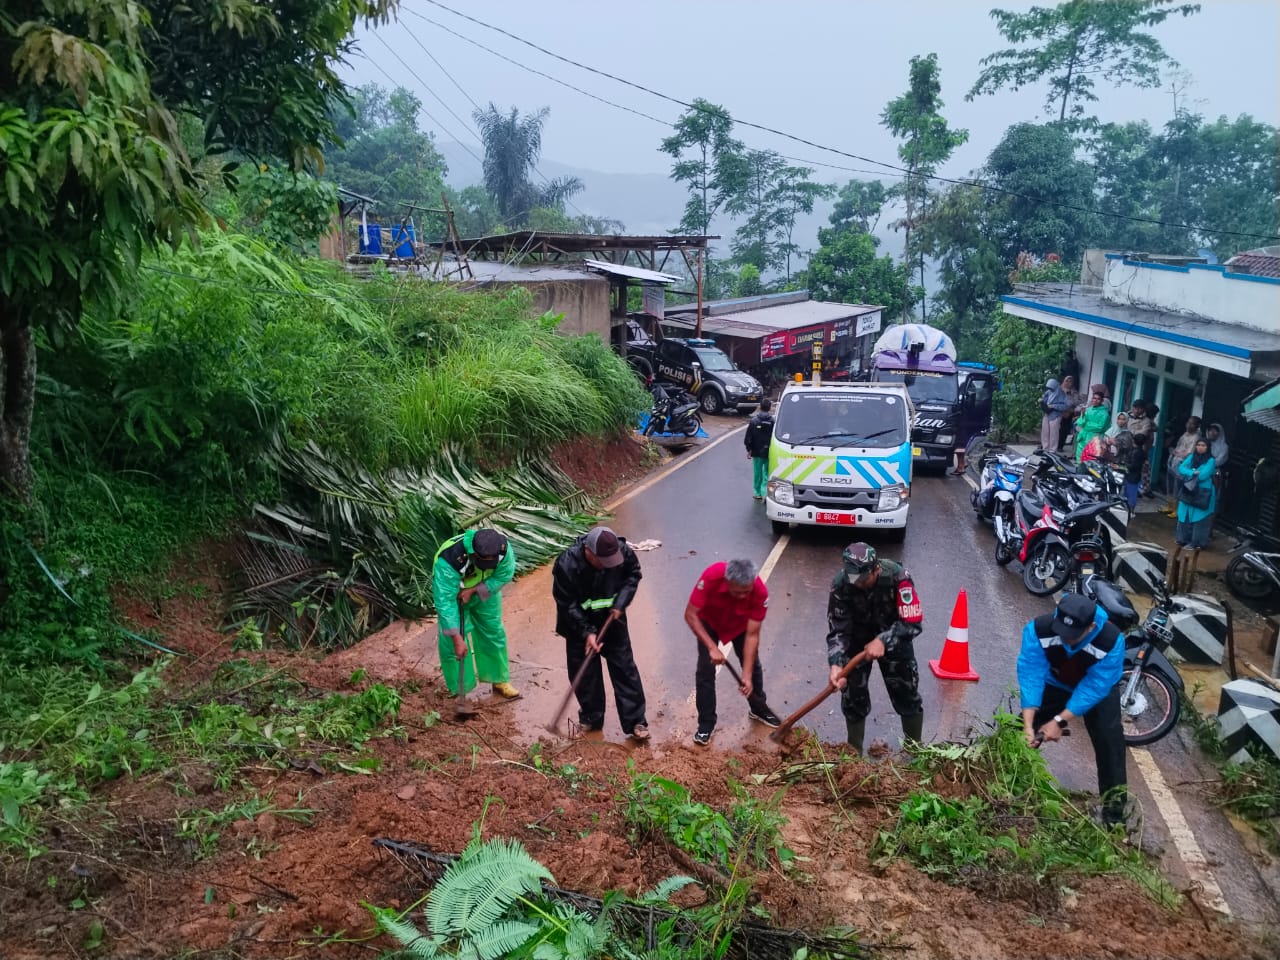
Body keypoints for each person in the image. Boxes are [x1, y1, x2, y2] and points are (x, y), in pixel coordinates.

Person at [1017, 592, 1128, 827]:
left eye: (1073, 635)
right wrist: (1028, 724)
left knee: (1109, 739)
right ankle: (1010, 784)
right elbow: (1031, 673)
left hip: (1097, 689)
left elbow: (1093, 688)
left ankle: (1113, 816)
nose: (1066, 639)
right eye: (1062, 633)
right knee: (1017, 731)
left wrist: (1059, 720)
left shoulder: (1111, 641)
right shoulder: (1039, 629)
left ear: (1091, 627)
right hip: (1057, 681)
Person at [551, 526, 649, 741]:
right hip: (577, 625)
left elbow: (633, 575)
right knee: (585, 676)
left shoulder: (621, 551)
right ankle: (591, 719)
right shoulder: (567, 564)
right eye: (603, 561)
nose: (608, 565)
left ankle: (636, 721)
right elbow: (566, 604)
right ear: (588, 551)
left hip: (612, 621)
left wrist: (621, 602)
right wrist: (586, 631)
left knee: (625, 669)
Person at [825, 542, 925, 753]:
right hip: (857, 643)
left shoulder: (899, 578)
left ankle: (915, 751)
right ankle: (853, 757)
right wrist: (836, 664)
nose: (857, 583)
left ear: (876, 569)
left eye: (863, 579)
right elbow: (838, 631)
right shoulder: (842, 583)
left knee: (907, 694)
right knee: (853, 699)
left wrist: (883, 640)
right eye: (854, 579)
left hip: (895, 639)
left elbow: (913, 622)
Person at [685, 558, 781, 745]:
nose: (743, 596)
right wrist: (712, 648)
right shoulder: (712, 576)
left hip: (740, 627)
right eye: (737, 592)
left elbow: (752, 635)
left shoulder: (760, 592)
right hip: (709, 623)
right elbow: (690, 614)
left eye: (747, 592)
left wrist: (746, 675)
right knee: (705, 671)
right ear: (728, 581)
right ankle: (706, 725)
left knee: (753, 667)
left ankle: (758, 709)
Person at [433, 528, 519, 699]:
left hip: (485, 591)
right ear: (474, 554)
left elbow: (504, 575)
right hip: (453, 596)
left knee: (493, 632)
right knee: (453, 643)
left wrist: (474, 590)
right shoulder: (449, 559)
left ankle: (499, 679)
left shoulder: (502, 548)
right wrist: (457, 638)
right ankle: (460, 689)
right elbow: (445, 603)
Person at [1169, 438, 1217, 589]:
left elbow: (1203, 476)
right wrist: (1192, 472)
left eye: (1203, 445)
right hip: (1189, 490)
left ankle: (1197, 543)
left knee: (1200, 518)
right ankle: (1182, 539)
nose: (1200, 447)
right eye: (1198, 445)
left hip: (1202, 493)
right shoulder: (1191, 457)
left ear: (1207, 447)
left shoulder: (1211, 460)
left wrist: (1192, 473)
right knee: (1184, 514)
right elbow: (1181, 468)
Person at [1162, 416, 1202, 517]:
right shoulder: (1185, 434)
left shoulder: (1196, 438)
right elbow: (1178, 446)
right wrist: (1174, 454)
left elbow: (1190, 453)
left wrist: (1179, 454)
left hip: (1182, 464)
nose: (1189, 425)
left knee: (1178, 486)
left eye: (1192, 424)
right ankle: (1170, 505)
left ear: (1197, 426)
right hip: (1174, 461)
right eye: (1188, 422)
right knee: (1170, 484)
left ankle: (1177, 509)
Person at [744, 398, 775, 501]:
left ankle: (757, 493)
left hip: (756, 452)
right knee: (767, 472)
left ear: (760, 407)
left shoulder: (754, 421)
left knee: (757, 473)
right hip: (769, 451)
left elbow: (748, 438)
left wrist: (749, 449)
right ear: (769, 408)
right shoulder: (773, 421)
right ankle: (765, 492)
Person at [1073, 384, 1111, 460]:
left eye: (1098, 399)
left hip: (1095, 438)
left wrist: (1086, 424)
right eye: (1094, 398)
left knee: (1091, 458)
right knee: (1079, 457)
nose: (1095, 400)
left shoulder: (1104, 414)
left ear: (1102, 401)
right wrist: (1083, 414)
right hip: (1084, 437)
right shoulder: (1088, 409)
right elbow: (1081, 423)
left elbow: (1100, 427)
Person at [1039, 378, 1072, 452]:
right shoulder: (1049, 392)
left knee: (1054, 434)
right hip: (1047, 414)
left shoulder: (1061, 394)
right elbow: (1045, 400)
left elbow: (1066, 405)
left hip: (1055, 416)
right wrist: (1042, 401)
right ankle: (1045, 448)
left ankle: (1052, 450)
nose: (1050, 389)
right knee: (1045, 432)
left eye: (1051, 387)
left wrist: (1054, 406)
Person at [1122, 432, 1150, 513]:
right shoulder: (1141, 451)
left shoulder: (1136, 452)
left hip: (1133, 476)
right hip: (1134, 476)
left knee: (1131, 495)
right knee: (1130, 493)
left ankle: (1131, 511)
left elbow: (1134, 466)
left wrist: (1124, 465)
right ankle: (1129, 510)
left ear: (1134, 440)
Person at [1056, 376, 1081, 453]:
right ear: (1064, 381)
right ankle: (1051, 444)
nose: (1068, 383)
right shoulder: (1059, 390)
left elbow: (1076, 402)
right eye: (1067, 381)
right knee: (1055, 429)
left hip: (1069, 413)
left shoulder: (1074, 392)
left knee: (1065, 430)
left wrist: (1070, 397)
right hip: (1058, 412)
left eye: (1070, 381)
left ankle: (1060, 446)